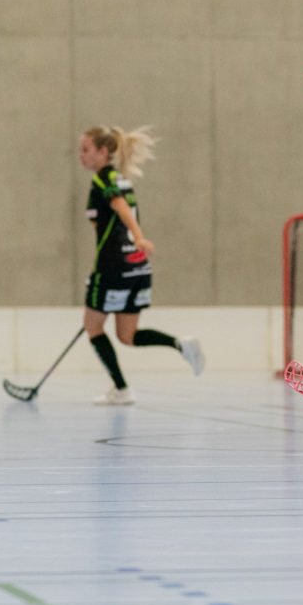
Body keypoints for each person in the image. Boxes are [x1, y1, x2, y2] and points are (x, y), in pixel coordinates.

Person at [79, 126, 203, 405]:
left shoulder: (104, 179)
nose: (81, 156)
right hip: (137, 267)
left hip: (113, 267)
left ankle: (122, 390)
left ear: (103, 152)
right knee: (127, 335)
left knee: (93, 327)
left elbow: (121, 209)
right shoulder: (122, 179)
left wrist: (139, 237)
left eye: (86, 149)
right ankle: (180, 344)